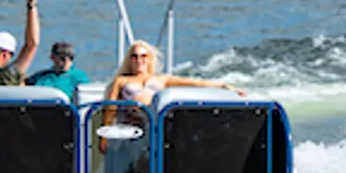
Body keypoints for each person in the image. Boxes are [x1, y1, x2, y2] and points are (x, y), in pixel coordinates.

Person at [103, 40, 245, 105]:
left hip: (154, 118)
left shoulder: (162, 79)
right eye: (135, 56)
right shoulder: (121, 81)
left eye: (143, 56)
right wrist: (105, 135)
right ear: (130, 59)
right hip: (133, 122)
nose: (139, 60)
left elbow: (194, 82)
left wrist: (223, 86)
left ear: (149, 58)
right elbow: (110, 107)